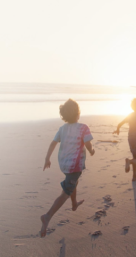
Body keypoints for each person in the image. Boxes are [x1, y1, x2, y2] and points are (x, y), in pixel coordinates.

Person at [40, 99, 95, 237]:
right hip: (74, 166)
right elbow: (88, 144)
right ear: (78, 113)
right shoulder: (83, 127)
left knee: (73, 182)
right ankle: (47, 216)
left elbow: (53, 144)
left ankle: (74, 203)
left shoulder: (62, 129)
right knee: (66, 190)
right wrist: (92, 151)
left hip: (63, 164)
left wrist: (47, 158)